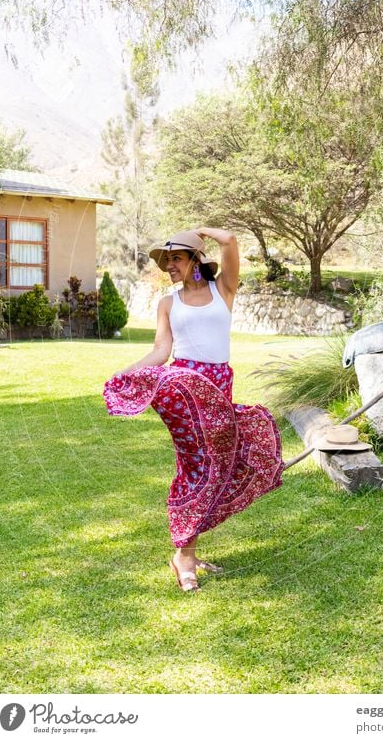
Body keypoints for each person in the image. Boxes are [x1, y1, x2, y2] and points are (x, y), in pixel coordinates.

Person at [103, 228, 284, 592]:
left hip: (219, 387)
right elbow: (160, 351)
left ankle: (190, 548)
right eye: (166, 260)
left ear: (196, 260)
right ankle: (184, 557)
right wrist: (127, 372)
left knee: (218, 466)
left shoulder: (223, 290)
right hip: (185, 388)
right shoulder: (168, 303)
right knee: (198, 466)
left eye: (176, 258)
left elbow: (231, 242)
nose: (169, 266)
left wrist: (202, 233)